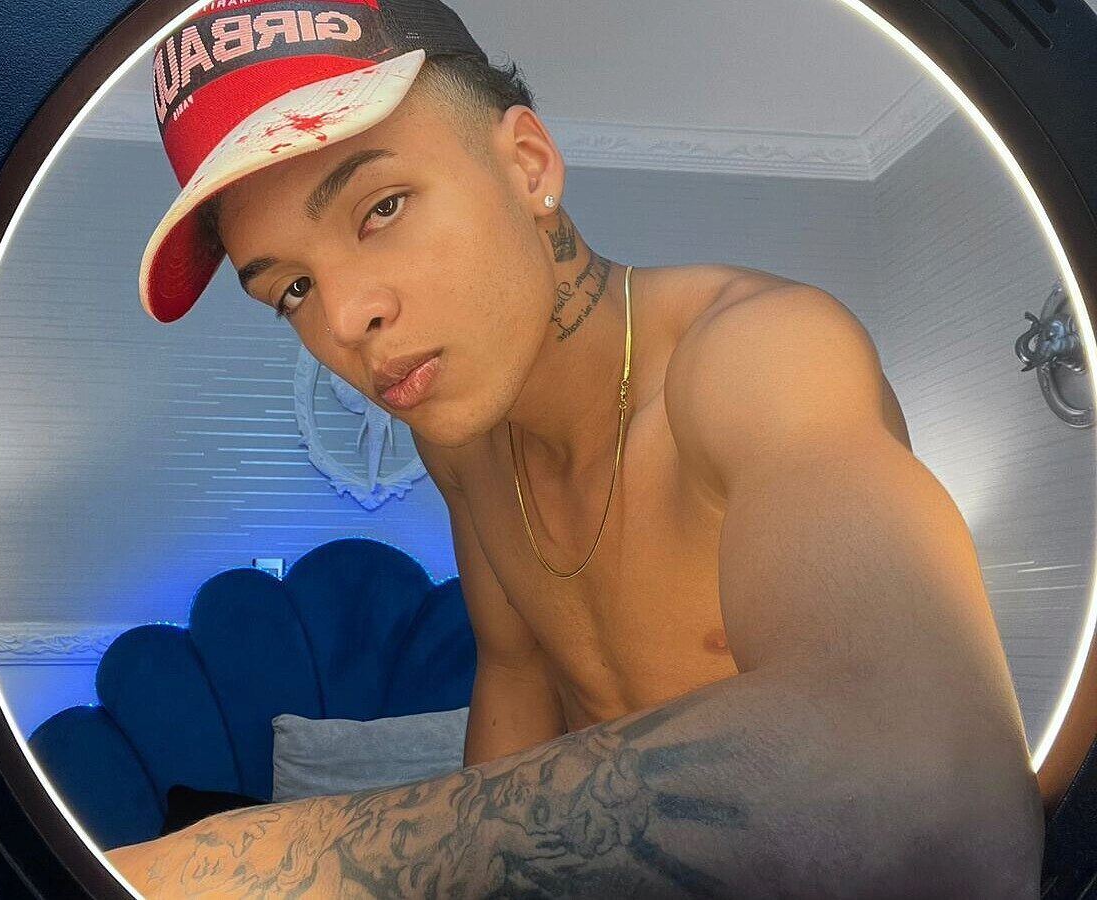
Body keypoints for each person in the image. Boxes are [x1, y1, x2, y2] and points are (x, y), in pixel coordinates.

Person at [107, 0, 1044, 895]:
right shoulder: (461, 448)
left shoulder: (759, 355)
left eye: (382, 207)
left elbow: (940, 785)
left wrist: (260, 860)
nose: (347, 318)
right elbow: (517, 683)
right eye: (292, 290)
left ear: (527, 165)